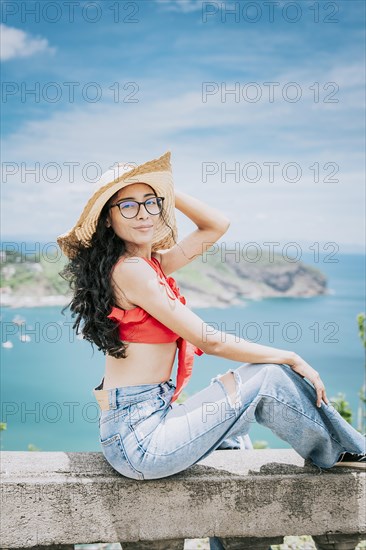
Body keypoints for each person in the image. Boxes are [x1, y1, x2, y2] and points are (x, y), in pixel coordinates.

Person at [57, 151, 365, 480]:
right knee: (269, 377)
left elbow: (216, 225)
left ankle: (341, 451)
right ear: (108, 218)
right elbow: (210, 341)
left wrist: (167, 192)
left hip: (150, 419)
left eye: (150, 202)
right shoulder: (132, 271)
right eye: (128, 205)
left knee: (237, 436)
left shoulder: (152, 265)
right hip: (140, 441)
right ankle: (344, 451)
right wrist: (291, 356)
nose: (143, 214)